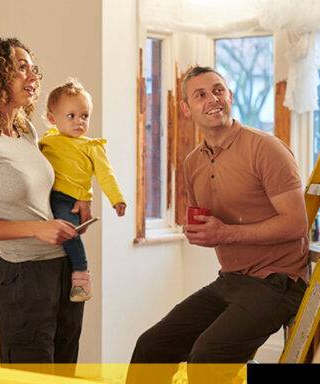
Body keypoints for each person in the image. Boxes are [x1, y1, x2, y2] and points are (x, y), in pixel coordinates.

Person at [127, 66, 309, 383]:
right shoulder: (193, 162)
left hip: (279, 283)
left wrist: (225, 233)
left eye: (218, 90)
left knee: (205, 360)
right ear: (185, 108)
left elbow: (296, 224)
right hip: (231, 281)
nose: (213, 99)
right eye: (200, 94)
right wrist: (199, 231)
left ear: (230, 96)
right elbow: (210, 220)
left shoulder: (266, 149)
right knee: (151, 348)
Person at [0, 38, 90, 375]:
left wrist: (77, 200)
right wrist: (36, 229)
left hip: (63, 269)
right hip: (23, 277)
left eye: (32, 67)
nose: (32, 75)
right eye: (20, 67)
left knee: (64, 371)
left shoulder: (26, 130)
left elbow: (41, 195)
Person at [40, 78, 127, 302]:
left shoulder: (91, 147)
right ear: (52, 118)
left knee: (69, 232)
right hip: (44, 197)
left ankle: (81, 274)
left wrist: (116, 199)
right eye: (71, 116)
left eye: (85, 116)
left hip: (69, 200)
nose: (79, 121)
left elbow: (106, 175)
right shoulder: (46, 141)